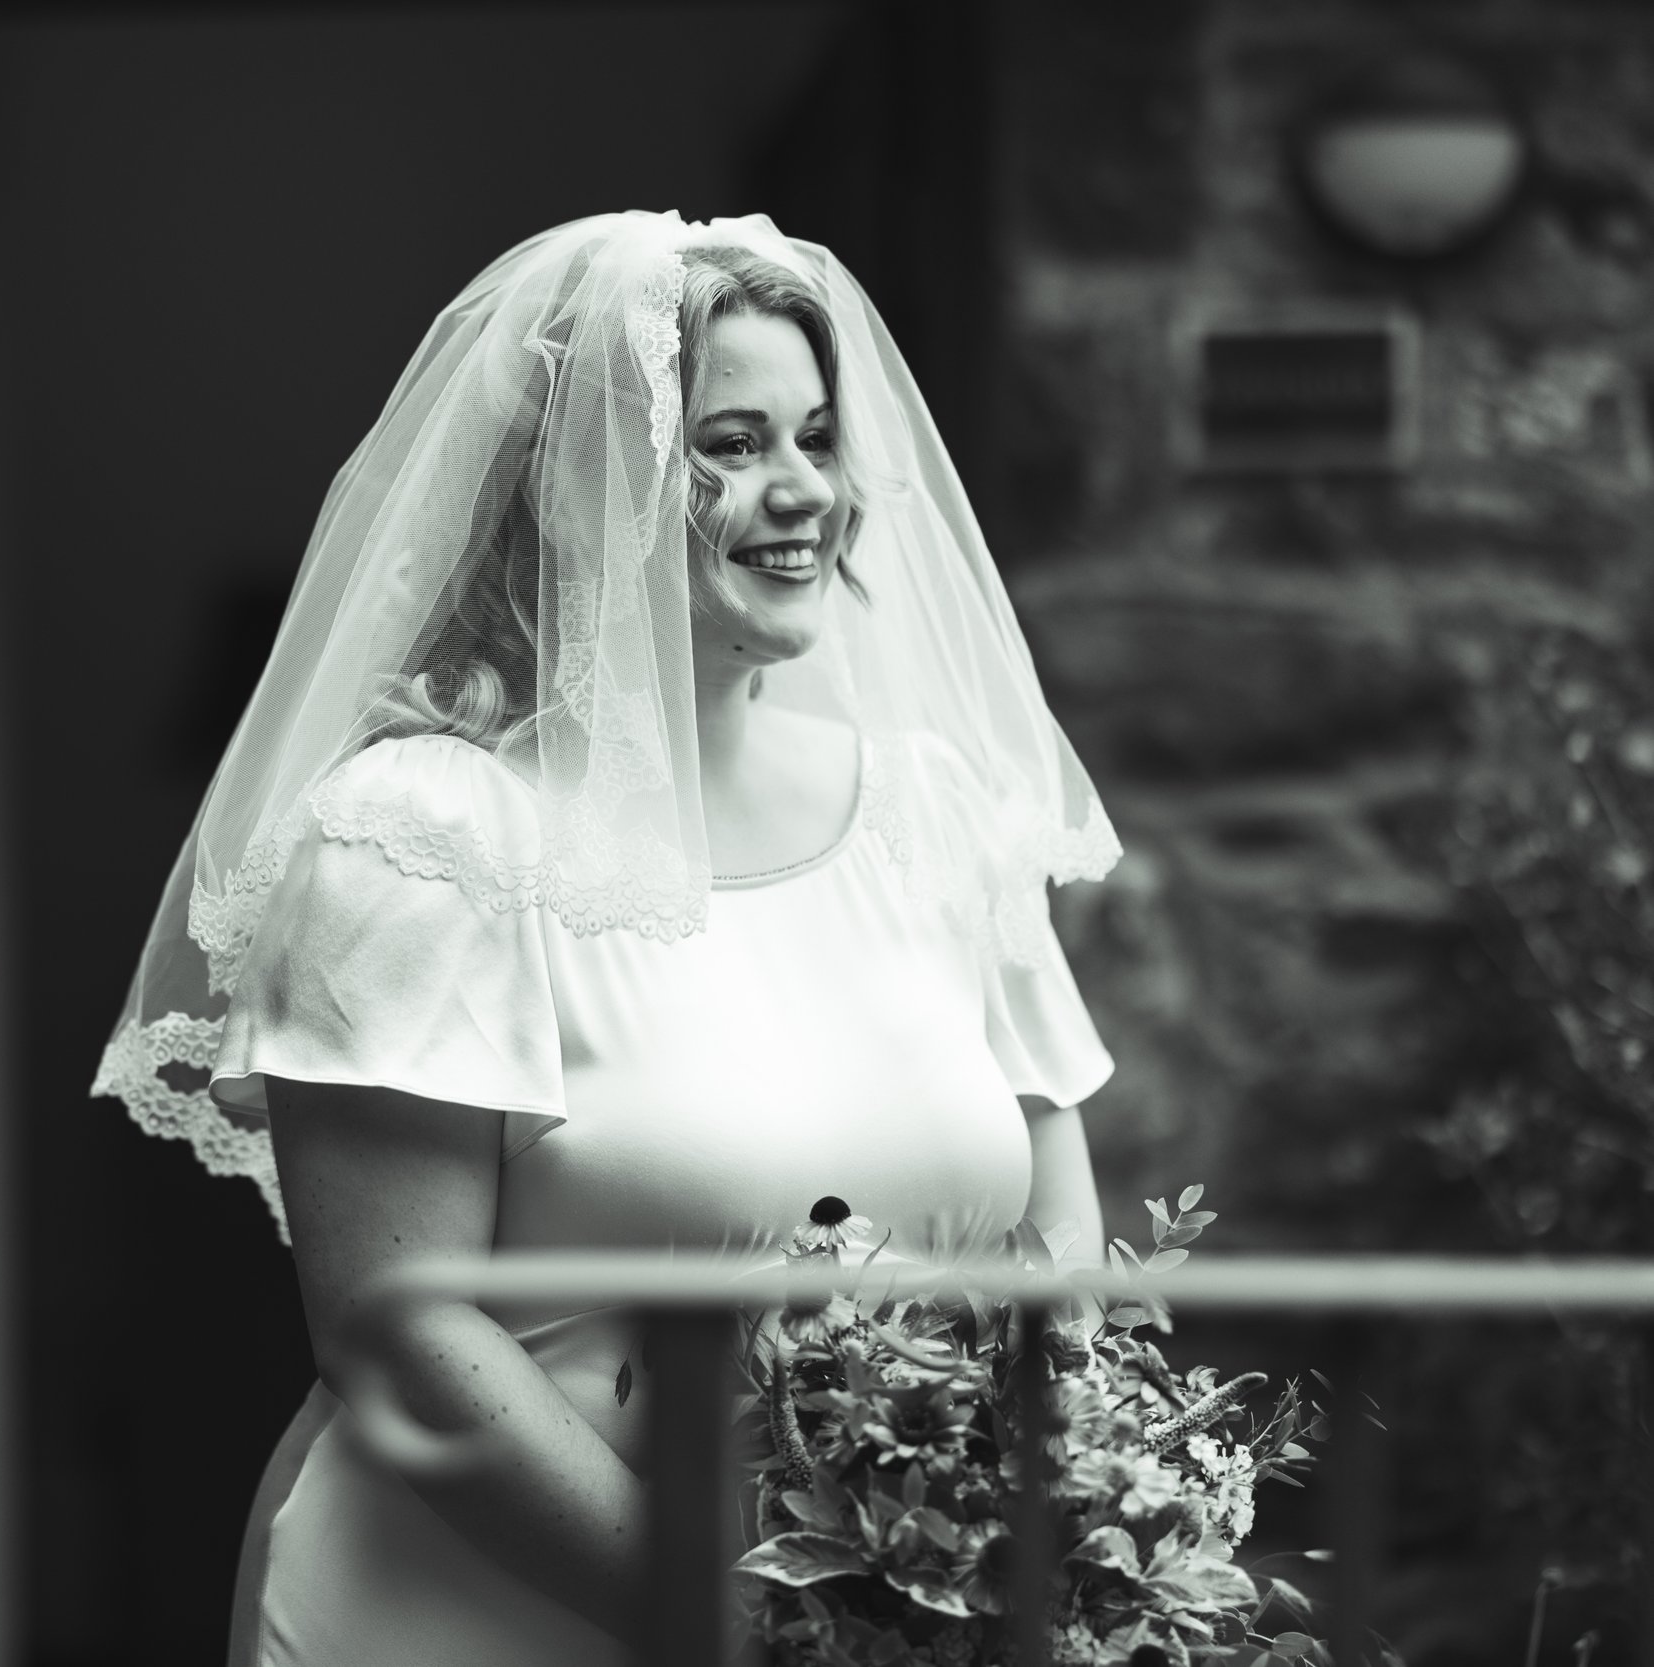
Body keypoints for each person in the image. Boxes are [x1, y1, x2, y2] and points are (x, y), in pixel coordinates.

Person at [93, 211, 1122, 1666]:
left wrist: (984, 1538)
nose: (798, 494)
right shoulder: (424, 838)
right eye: (728, 445)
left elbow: (1056, 1223)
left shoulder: (935, 812)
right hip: (485, 1613)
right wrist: (747, 1617)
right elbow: (402, 1332)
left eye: (817, 441)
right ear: (580, 490)